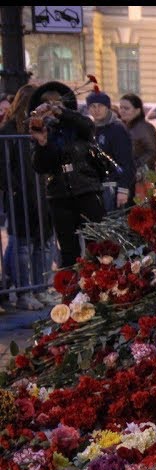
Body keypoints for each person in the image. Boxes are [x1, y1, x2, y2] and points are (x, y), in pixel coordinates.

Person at [30, 81, 104, 270]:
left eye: (55, 103)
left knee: (96, 246)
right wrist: (42, 144)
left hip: (86, 189)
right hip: (59, 195)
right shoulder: (43, 130)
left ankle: (99, 288)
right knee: (69, 252)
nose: (50, 109)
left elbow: (88, 127)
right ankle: (72, 295)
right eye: (46, 104)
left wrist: (62, 113)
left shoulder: (76, 124)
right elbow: (40, 166)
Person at [0, 84, 49, 309]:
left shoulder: (41, 127)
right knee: (22, 245)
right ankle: (24, 292)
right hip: (22, 193)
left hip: (41, 192)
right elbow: (4, 165)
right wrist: (15, 188)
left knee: (42, 244)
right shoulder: (10, 128)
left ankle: (40, 289)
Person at [84, 91, 134, 211]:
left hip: (114, 187)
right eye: (92, 106)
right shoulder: (90, 129)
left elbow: (126, 162)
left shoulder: (117, 129)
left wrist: (123, 189)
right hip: (96, 187)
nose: (96, 110)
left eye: (100, 106)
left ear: (107, 107)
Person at [117, 93, 156, 202]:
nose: (122, 111)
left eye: (126, 108)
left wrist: (136, 165)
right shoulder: (123, 127)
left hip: (142, 178)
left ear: (137, 110)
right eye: (121, 108)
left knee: (141, 211)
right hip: (128, 177)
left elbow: (154, 152)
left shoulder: (145, 128)